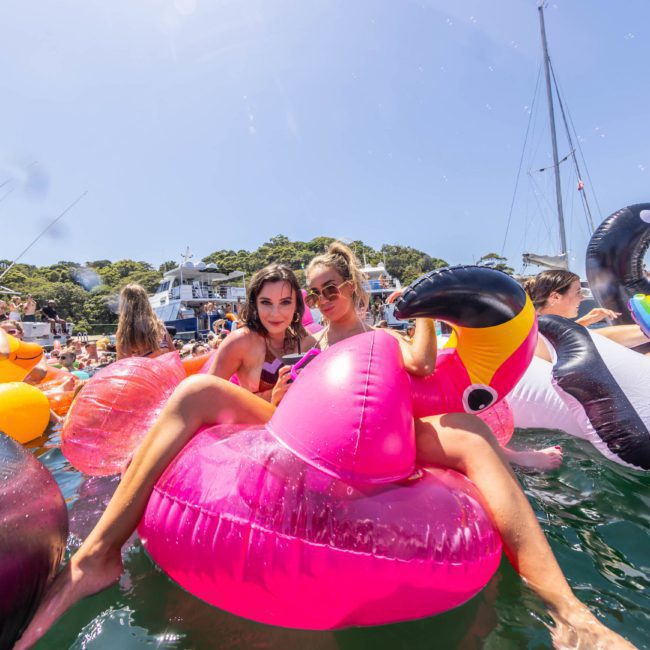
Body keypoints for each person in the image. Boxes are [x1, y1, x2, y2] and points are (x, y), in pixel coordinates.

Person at [15, 256, 633, 649]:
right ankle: (97, 555)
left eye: (324, 288)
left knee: (471, 435)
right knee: (200, 390)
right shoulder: (277, 344)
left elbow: (421, 367)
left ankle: (569, 610)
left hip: (381, 435)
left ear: (350, 288)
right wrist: (277, 391)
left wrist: (416, 312)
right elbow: (246, 399)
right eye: (307, 292)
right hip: (287, 429)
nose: (315, 299)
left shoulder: (376, 336)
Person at [524, 270, 649, 361]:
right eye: (578, 292)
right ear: (555, 297)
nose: (582, 298)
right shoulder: (540, 330)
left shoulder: (535, 324)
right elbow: (588, 339)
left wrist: (583, 321)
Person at [115, 284, 175, 360]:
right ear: (146, 302)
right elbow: (173, 355)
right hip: (164, 370)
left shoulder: (124, 333)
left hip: (142, 371)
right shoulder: (159, 327)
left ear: (124, 305)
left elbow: (122, 364)